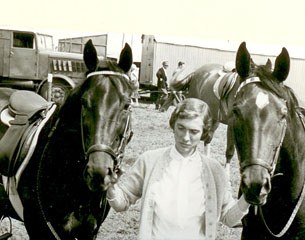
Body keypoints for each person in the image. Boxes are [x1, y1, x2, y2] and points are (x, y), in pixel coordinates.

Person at [106, 98, 250, 240]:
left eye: (194, 131)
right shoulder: (149, 160)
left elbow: (229, 218)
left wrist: (249, 198)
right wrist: (111, 187)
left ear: (203, 133)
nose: (185, 137)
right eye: (181, 128)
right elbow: (121, 203)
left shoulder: (215, 170)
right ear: (173, 125)